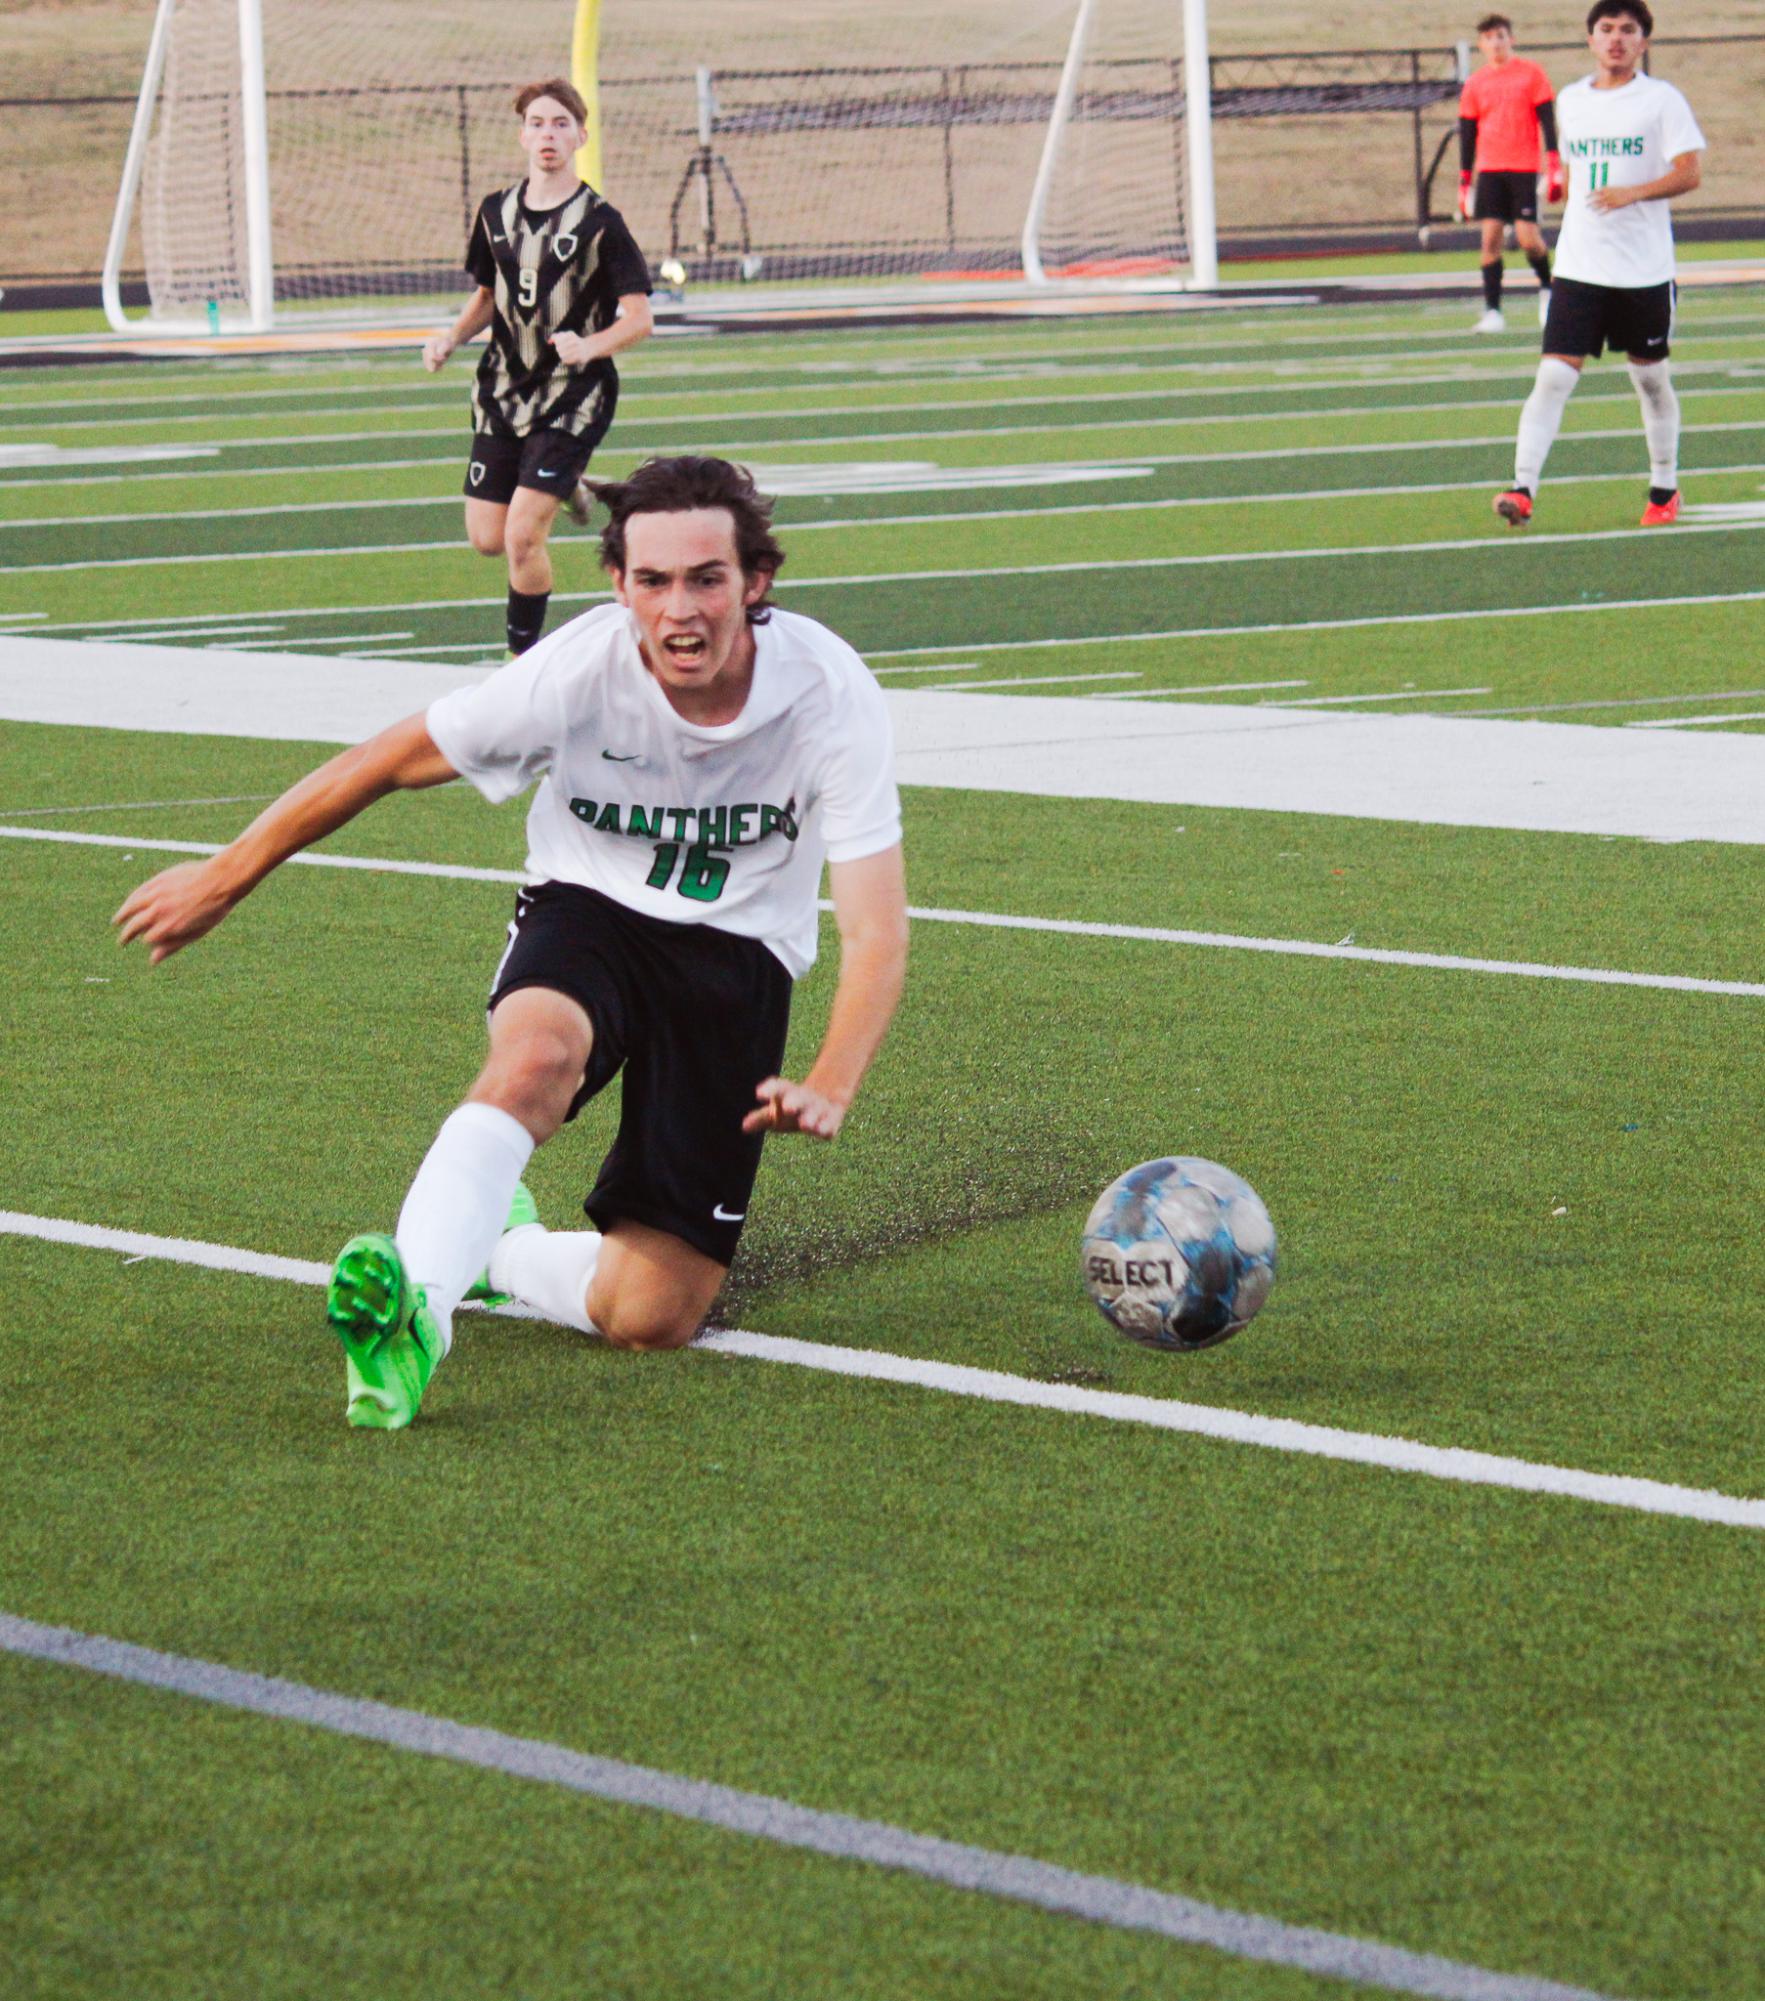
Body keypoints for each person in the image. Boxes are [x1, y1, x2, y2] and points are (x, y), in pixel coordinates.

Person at [113, 457, 910, 1431]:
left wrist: (829, 1080)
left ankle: (495, 1251)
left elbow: (875, 926)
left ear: (757, 581)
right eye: (652, 581)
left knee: (650, 1318)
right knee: (533, 1060)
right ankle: (417, 1315)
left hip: (737, 957)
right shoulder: (577, 671)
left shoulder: (828, 693)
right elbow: (387, 760)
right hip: (591, 913)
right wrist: (223, 875)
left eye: (707, 577)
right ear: (618, 585)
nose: (680, 609)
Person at [423, 78, 654, 659]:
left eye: (559, 124)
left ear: (581, 135)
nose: (547, 134)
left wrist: (592, 345)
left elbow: (640, 318)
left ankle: (520, 662)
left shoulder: (602, 222)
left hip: (572, 396)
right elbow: (486, 296)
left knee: (524, 536)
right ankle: (568, 483)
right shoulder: (495, 212)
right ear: (522, 134)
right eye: (537, 123)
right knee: (486, 539)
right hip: (502, 390)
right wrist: (451, 336)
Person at [1494, 0, 1705, 529]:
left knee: (1652, 383)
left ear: (1644, 42)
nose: (1616, 39)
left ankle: (1664, 489)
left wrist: (1633, 192)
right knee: (1552, 379)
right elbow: (1569, 166)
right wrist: (1558, 186)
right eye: (1606, 29)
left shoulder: (1662, 100)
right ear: (1590, 39)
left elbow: (1689, 173)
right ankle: (1523, 488)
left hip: (1644, 270)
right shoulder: (1570, 101)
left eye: (1628, 30)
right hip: (1581, 266)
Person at [1456, 14, 1562, 331]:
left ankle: (1547, 288)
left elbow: (1546, 118)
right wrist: (1464, 180)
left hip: (1524, 167)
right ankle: (1493, 311)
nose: (1496, 43)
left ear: (1510, 39)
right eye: (1489, 37)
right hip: (1490, 169)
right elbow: (1467, 132)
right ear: (1481, 44)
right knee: (1489, 239)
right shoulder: (1475, 83)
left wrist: (1553, 161)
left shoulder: (1531, 74)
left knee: (1529, 239)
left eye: (1501, 36)